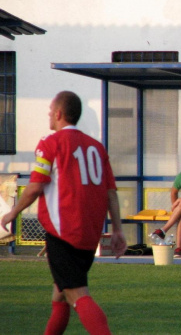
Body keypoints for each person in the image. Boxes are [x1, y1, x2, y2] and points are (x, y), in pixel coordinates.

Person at [1, 91, 127, 335]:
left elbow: (36, 186)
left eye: (50, 110)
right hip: (89, 235)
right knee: (60, 296)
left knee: (77, 294)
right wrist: (118, 230)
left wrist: (12, 212)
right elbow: (111, 191)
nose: (49, 114)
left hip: (63, 233)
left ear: (58, 113)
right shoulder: (97, 148)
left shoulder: (50, 144)